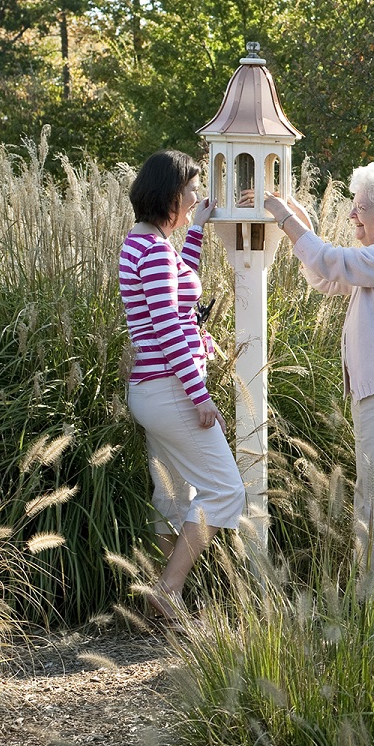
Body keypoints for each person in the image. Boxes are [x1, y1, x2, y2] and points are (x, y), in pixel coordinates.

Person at [265, 164, 374, 602]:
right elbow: (330, 277)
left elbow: (334, 262)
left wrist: (287, 222)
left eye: (360, 207)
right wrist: (300, 229)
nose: (352, 216)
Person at [119, 150, 246, 620]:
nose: (196, 197)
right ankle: (168, 592)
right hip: (170, 387)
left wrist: (195, 232)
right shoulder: (152, 251)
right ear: (169, 193)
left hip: (154, 388)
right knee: (226, 491)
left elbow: (179, 285)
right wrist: (200, 394)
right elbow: (171, 326)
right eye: (191, 190)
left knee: (175, 497)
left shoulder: (147, 244)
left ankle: (158, 599)